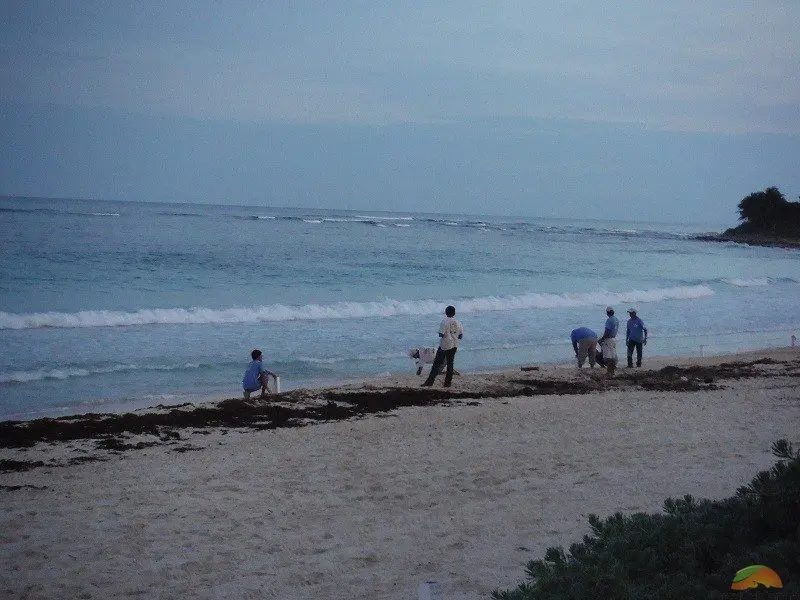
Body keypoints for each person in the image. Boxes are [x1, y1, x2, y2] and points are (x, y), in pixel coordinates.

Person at [421, 305, 464, 387]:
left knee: (436, 364)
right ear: (454, 313)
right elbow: (460, 336)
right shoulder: (459, 322)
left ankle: (429, 382)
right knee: (450, 364)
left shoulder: (444, 321)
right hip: (454, 344)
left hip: (445, 345)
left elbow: (441, 334)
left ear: (446, 312)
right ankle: (447, 383)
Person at [597, 306, 619, 377]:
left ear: (607, 313)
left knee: (608, 358)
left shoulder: (609, 320)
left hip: (608, 339)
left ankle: (609, 372)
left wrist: (602, 339)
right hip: (613, 338)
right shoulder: (616, 319)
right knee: (612, 357)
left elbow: (607, 331)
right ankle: (612, 372)